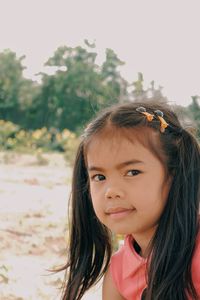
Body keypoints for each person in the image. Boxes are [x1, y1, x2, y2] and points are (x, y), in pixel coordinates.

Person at [60, 100, 200, 300]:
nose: (111, 191)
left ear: (173, 175)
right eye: (99, 177)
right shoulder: (118, 272)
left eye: (132, 172)